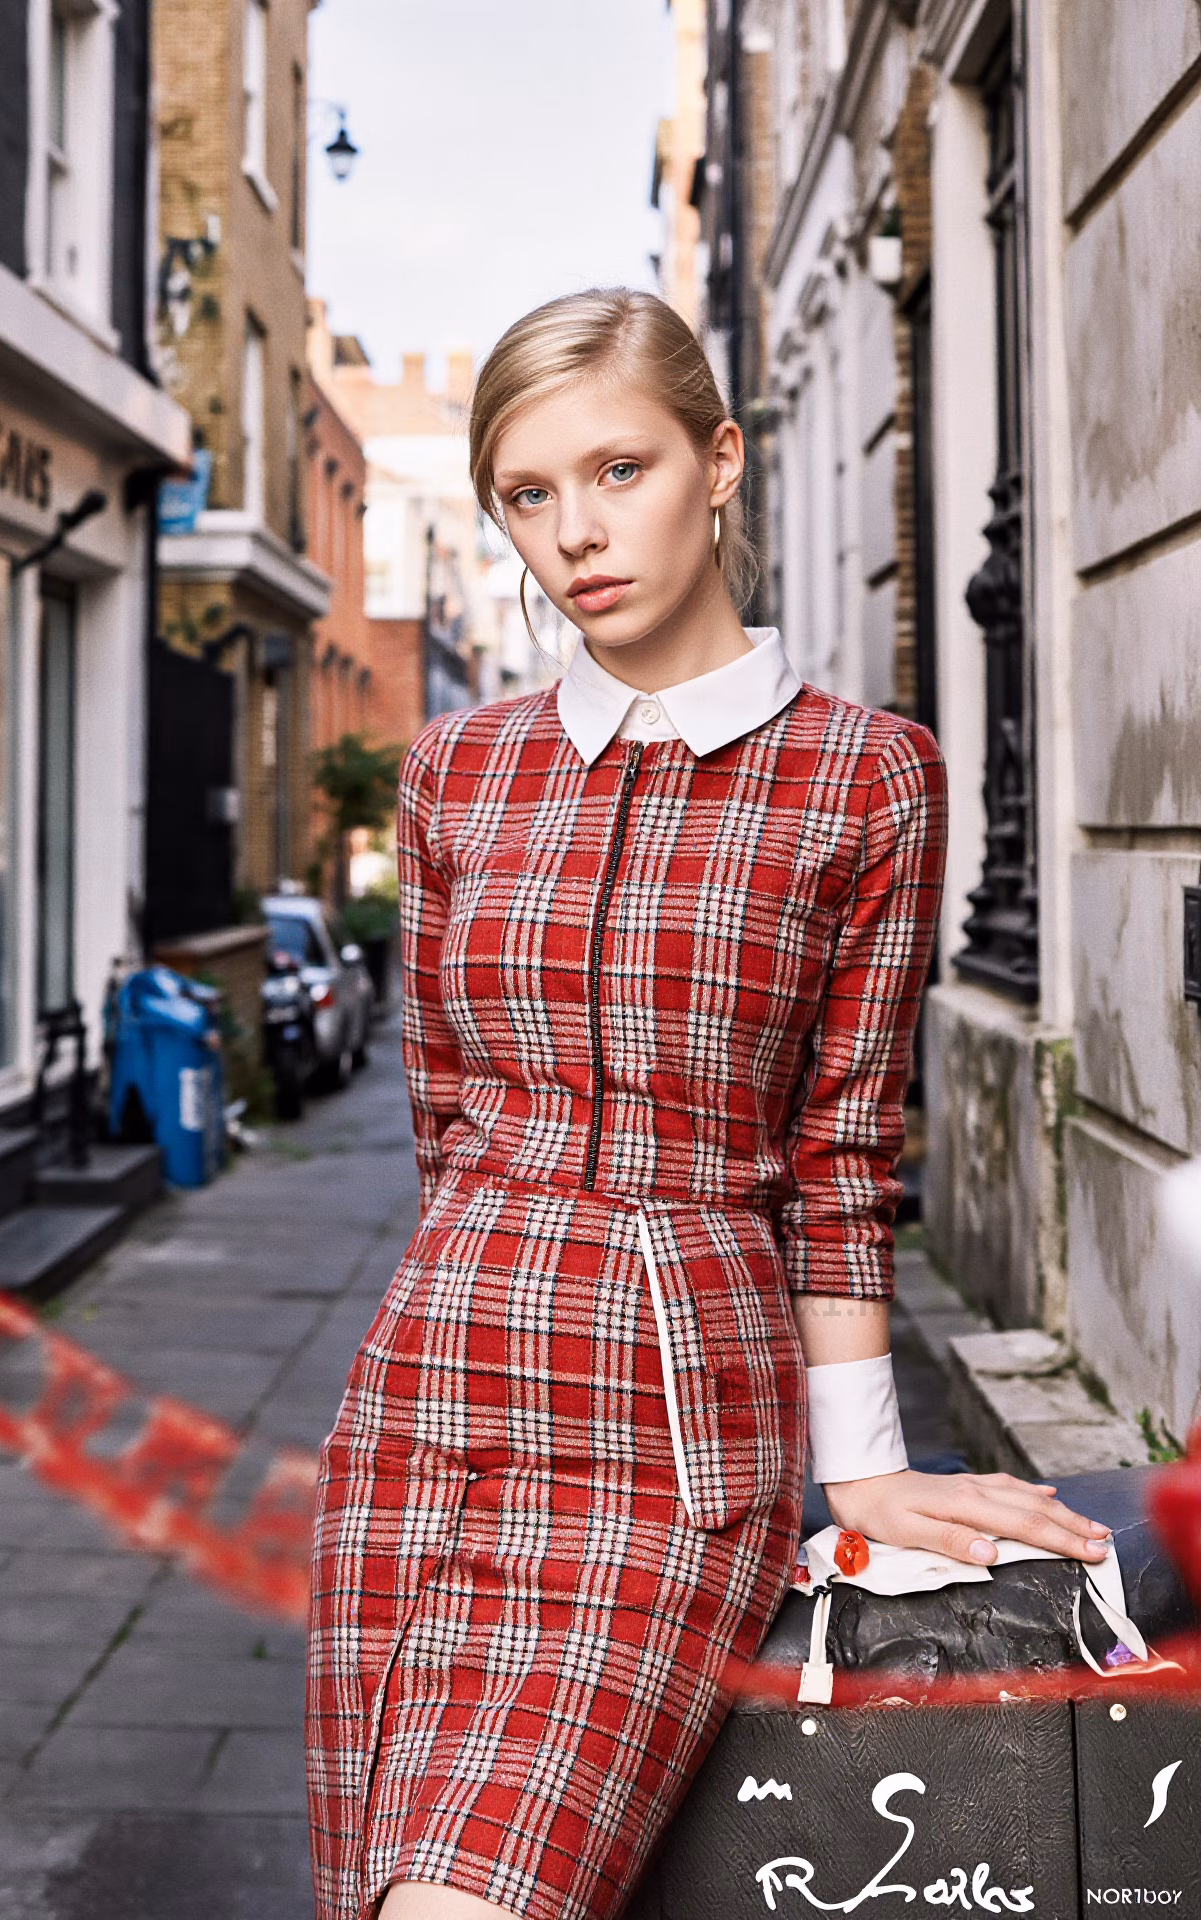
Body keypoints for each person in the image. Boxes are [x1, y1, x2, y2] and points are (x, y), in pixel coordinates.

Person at [305, 289, 1111, 1920]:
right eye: (527, 496)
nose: (575, 535)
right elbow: (446, 1119)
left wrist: (861, 1462)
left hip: (667, 1430)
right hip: (423, 1409)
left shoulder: (864, 774)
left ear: (720, 460)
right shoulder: (457, 774)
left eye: (617, 471)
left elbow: (841, 1153)